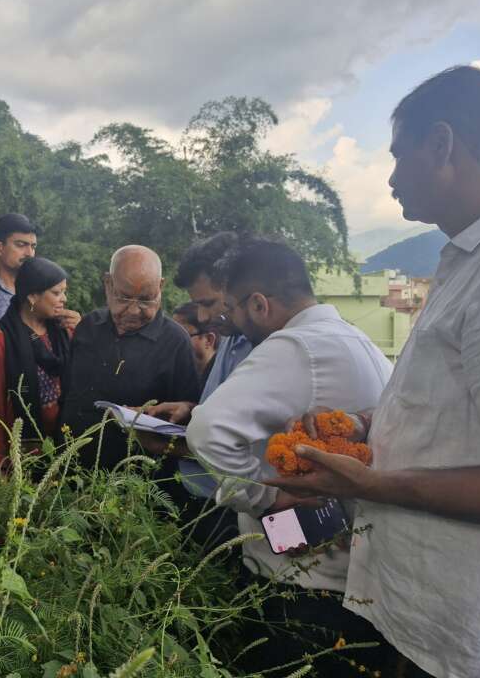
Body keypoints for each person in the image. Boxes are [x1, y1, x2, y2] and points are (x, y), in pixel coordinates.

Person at [265, 66, 480, 678]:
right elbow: (465, 418)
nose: (391, 177)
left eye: (399, 155)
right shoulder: (476, 263)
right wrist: (364, 428)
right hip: (441, 624)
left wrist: (367, 485)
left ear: (442, 145)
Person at [186, 238, 392, 671]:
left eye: (232, 309)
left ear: (259, 304)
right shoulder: (358, 340)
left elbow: (207, 430)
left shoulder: (295, 346)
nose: (230, 322)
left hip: (302, 585)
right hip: (359, 577)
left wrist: (265, 499)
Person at [60, 245, 200, 471]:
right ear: (108, 283)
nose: (134, 311)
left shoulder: (176, 343)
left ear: (161, 286)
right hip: (73, 470)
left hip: (138, 481)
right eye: (124, 298)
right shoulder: (88, 327)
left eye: (146, 300)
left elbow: (188, 420)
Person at [0, 258, 72, 471]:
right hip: (19, 456)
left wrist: (83, 331)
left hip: (65, 449)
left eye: (64, 292)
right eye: (56, 293)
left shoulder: (65, 332)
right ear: (32, 296)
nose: (63, 299)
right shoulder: (0, 340)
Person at [147, 232, 252, 425]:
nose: (203, 317)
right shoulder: (230, 335)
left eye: (209, 303)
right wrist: (190, 410)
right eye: (198, 306)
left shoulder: (268, 344)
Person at [171, 302, 218, 384]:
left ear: (208, 340)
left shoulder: (221, 378)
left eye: (183, 336)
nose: (173, 343)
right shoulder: (180, 378)